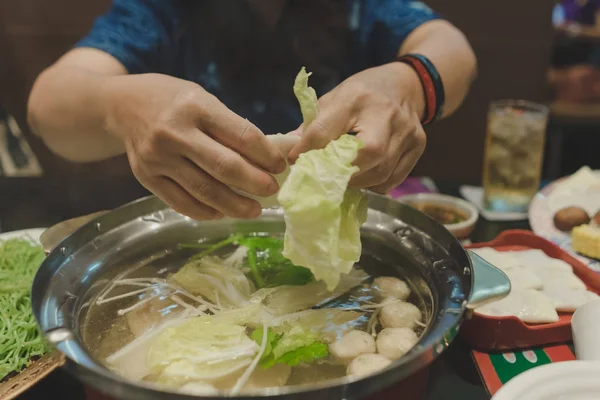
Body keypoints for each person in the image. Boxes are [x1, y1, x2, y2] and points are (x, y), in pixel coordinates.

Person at [28, 0, 476, 221]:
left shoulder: (359, 6)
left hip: (337, 229)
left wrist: (409, 83)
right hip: (201, 223)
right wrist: (121, 109)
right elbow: (48, 105)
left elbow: (453, 49)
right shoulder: (163, 10)